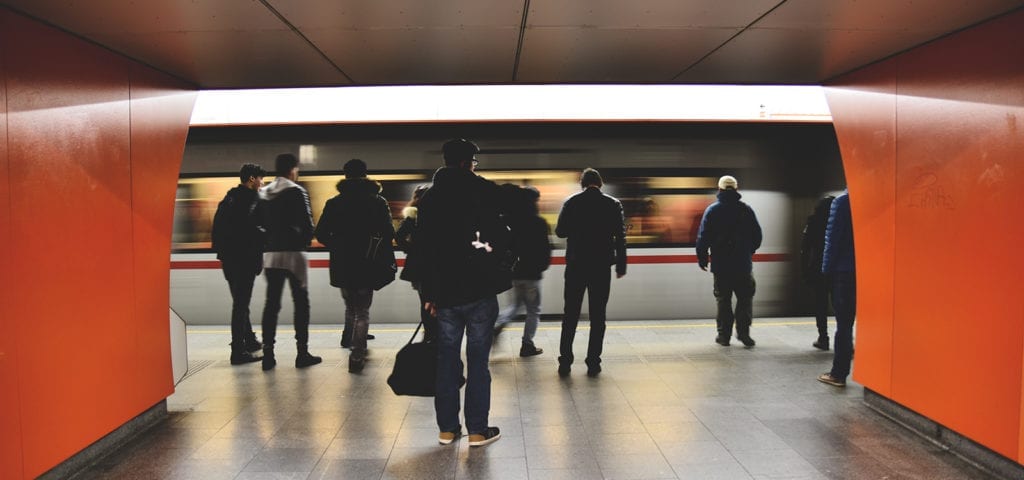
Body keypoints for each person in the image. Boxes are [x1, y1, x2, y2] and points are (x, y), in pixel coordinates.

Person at [418, 138, 509, 447]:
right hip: (480, 290)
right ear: (468, 162)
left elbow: (424, 249)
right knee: (478, 362)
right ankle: (478, 431)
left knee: (446, 360)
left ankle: (447, 429)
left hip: (444, 294)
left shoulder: (430, 199)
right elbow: (502, 233)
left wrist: (429, 292)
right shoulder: (481, 190)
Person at [314, 159, 395, 373]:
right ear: (365, 174)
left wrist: (338, 245)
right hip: (368, 262)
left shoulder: (334, 203)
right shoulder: (378, 202)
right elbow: (389, 233)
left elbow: (320, 233)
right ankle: (357, 353)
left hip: (343, 263)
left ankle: (348, 338)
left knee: (351, 306)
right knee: (363, 311)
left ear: (345, 175)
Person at [555, 168, 627, 377]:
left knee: (570, 315)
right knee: (598, 316)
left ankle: (565, 362)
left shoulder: (572, 202)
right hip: (601, 267)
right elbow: (620, 237)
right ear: (600, 184)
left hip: (576, 265)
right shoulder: (613, 204)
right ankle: (593, 362)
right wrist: (621, 265)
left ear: (582, 184)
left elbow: (560, 231)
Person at [258, 153, 322, 371]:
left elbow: (257, 223)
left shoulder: (263, 192)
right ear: (293, 169)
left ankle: (268, 354)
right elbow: (307, 224)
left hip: (271, 255)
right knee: (301, 303)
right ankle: (302, 353)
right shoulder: (297, 191)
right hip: (294, 255)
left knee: (271, 304)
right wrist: (303, 242)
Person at [696, 175, 763, 348]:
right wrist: (748, 251)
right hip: (743, 265)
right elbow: (757, 236)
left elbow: (703, 238)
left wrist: (703, 258)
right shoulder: (746, 210)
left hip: (721, 266)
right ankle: (744, 334)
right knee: (745, 300)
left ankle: (724, 336)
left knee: (723, 300)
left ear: (719, 189)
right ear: (736, 189)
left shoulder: (712, 210)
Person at [211, 163, 267, 365]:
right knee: (241, 305)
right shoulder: (252, 200)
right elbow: (256, 230)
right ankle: (237, 351)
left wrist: (223, 254)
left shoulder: (228, 199)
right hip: (244, 259)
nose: (262, 183)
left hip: (228, 260)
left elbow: (216, 230)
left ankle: (250, 340)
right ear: (252, 179)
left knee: (240, 302)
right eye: (260, 179)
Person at [494, 185, 553, 357]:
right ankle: (527, 344)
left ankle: (497, 325)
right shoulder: (539, 222)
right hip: (532, 275)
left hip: (515, 274)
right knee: (533, 310)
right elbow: (545, 250)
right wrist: (541, 266)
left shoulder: (511, 221)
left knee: (514, 306)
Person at [818, 190, 856, 387]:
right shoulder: (875, 199)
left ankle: (838, 374)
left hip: (845, 273)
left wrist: (826, 270)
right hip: (873, 271)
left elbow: (832, 240)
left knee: (844, 324)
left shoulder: (842, 201)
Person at [395, 184, 437, 342]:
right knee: (438, 301)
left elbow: (399, 237)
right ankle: (435, 334)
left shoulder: (413, 216)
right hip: (437, 266)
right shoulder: (440, 214)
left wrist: (412, 250)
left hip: (418, 267)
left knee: (425, 301)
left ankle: (428, 334)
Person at [801, 195, 835, 350]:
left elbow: (805, 248)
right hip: (837, 269)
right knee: (840, 306)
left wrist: (805, 270)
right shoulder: (839, 221)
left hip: (818, 269)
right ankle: (844, 338)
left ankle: (823, 337)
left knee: (820, 305)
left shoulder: (813, 222)